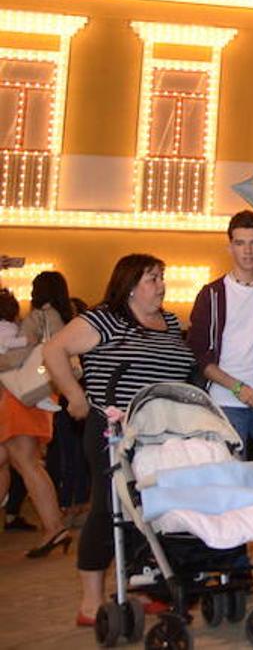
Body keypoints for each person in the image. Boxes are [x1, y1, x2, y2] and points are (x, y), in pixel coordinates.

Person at [41, 254, 198, 627]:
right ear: (129, 285)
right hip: (112, 429)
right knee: (107, 507)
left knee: (149, 509)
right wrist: (74, 397)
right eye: (152, 279)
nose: (160, 285)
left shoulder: (171, 322)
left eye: (162, 278)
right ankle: (90, 600)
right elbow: (53, 350)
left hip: (160, 431)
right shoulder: (104, 319)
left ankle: (142, 585)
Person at [188, 210, 253, 492]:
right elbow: (201, 355)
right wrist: (237, 387)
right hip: (226, 400)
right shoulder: (212, 294)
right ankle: (235, 539)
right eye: (241, 243)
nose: (247, 250)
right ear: (229, 246)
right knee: (230, 483)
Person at [0, 287, 68, 558]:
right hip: (23, 400)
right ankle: (54, 527)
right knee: (10, 462)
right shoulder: (21, 328)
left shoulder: (21, 330)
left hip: (17, 401)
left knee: (27, 464)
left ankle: (54, 527)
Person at [28, 272, 88, 525]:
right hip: (65, 389)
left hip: (50, 390)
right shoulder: (68, 318)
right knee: (69, 452)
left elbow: (40, 352)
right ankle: (70, 508)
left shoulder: (44, 316)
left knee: (54, 455)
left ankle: (63, 513)